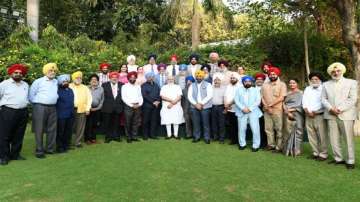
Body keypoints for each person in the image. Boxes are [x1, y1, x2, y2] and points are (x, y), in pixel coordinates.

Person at [322, 62, 357, 169]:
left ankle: (350, 161)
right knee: (333, 138)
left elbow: (352, 99)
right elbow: (323, 99)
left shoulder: (351, 82)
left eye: (338, 71)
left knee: (348, 139)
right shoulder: (325, 84)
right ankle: (338, 158)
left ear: (342, 71)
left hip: (346, 115)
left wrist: (340, 109)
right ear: (330, 73)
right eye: (333, 71)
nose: (336, 73)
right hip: (330, 114)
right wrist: (331, 109)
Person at [0, 64, 29, 165]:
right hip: (8, 111)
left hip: (23, 112)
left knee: (19, 134)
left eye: (20, 73)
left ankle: (15, 154)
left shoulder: (25, 85)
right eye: (16, 73)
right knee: (5, 135)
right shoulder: (4, 84)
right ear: (11, 73)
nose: (18, 74)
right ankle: (4, 156)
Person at [29, 63, 59, 158]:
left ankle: (50, 149)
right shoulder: (38, 81)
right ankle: (39, 150)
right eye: (50, 70)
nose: (52, 72)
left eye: (54, 71)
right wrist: (37, 104)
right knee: (39, 128)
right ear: (46, 71)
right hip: (40, 107)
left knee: (52, 129)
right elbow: (31, 95)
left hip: (53, 107)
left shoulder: (56, 82)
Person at [302, 72, 328, 161]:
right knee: (311, 135)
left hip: (319, 116)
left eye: (316, 79)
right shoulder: (307, 89)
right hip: (308, 115)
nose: (314, 81)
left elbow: (324, 103)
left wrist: (315, 112)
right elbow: (304, 101)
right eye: (312, 79)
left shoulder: (324, 89)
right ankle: (315, 152)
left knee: (321, 135)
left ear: (320, 80)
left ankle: (323, 154)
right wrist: (307, 111)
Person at [261, 67, 287, 152]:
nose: (272, 75)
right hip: (266, 110)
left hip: (277, 110)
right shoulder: (264, 85)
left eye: (274, 74)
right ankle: (270, 144)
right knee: (268, 129)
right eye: (271, 74)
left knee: (279, 129)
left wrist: (270, 105)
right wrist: (267, 107)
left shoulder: (282, 84)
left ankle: (279, 147)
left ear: (277, 74)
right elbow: (262, 97)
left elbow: (282, 97)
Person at [234, 76, 262, 152]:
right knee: (241, 129)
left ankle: (256, 145)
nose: (247, 83)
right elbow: (236, 100)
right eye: (245, 81)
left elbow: (258, 101)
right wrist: (243, 108)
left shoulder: (255, 90)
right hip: (241, 111)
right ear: (243, 82)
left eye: (249, 81)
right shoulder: (239, 90)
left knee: (255, 129)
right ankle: (242, 144)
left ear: (251, 82)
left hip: (253, 112)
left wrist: (249, 109)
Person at [188, 70, 213, 144]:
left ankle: (207, 138)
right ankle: (197, 137)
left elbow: (209, 95)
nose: (199, 77)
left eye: (200, 76)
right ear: (195, 77)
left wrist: (201, 103)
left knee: (206, 123)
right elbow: (189, 96)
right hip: (194, 107)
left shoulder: (208, 84)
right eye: (197, 76)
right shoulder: (192, 85)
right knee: (196, 123)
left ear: (203, 77)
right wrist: (196, 104)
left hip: (205, 107)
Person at [69, 71, 92, 148]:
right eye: (77, 78)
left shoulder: (85, 87)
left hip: (82, 109)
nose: (78, 79)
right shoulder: (69, 86)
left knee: (80, 126)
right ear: (73, 79)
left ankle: (77, 142)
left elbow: (89, 98)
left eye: (80, 78)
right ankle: (68, 141)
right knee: (69, 126)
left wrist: (88, 109)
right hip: (70, 110)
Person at [282, 78, 304, 156]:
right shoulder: (287, 93)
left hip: (297, 113)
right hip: (287, 113)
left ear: (297, 84)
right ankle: (287, 149)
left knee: (298, 130)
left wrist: (292, 110)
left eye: (294, 83)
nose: (292, 85)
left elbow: (302, 105)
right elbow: (283, 103)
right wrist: (287, 111)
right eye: (290, 83)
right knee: (287, 131)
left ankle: (296, 150)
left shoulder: (301, 93)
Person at [101, 72, 124, 143]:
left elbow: (123, 96)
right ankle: (108, 137)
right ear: (110, 78)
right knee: (107, 123)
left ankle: (116, 136)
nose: (114, 78)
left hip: (118, 107)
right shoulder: (104, 85)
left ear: (118, 78)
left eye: (116, 77)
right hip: (108, 107)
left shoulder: (122, 85)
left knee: (117, 123)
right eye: (112, 77)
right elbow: (103, 97)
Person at [122, 71, 143, 143]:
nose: (132, 79)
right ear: (128, 78)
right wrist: (131, 105)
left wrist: (139, 104)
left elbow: (140, 96)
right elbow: (123, 97)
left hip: (137, 106)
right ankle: (128, 137)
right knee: (128, 122)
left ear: (136, 78)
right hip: (128, 106)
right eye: (131, 77)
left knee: (135, 122)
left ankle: (134, 136)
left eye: (134, 77)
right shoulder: (124, 86)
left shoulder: (138, 86)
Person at [56, 74, 74, 153]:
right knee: (60, 132)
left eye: (66, 81)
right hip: (61, 114)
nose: (65, 82)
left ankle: (66, 145)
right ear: (60, 82)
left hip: (70, 114)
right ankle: (60, 147)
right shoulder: (57, 90)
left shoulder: (70, 90)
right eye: (63, 81)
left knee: (68, 131)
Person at [84, 74, 104, 144]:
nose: (94, 81)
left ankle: (93, 138)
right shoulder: (86, 88)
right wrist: (88, 108)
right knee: (88, 125)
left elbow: (102, 100)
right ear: (89, 81)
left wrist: (97, 108)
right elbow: (84, 99)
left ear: (98, 81)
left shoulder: (101, 89)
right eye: (92, 80)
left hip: (97, 110)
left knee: (95, 125)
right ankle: (87, 139)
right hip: (88, 110)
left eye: (96, 80)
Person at [141, 72, 161, 140]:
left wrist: (158, 101)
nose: (151, 78)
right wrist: (153, 102)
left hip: (155, 106)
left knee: (154, 121)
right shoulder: (143, 85)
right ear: (146, 78)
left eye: (152, 77)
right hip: (147, 106)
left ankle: (153, 135)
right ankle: (145, 135)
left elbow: (159, 94)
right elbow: (145, 96)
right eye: (149, 77)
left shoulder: (156, 85)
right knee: (145, 121)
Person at [224, 72, 241, 145]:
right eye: (231, 78)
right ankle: (233, 139)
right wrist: (225, 104)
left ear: (237, 79)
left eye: (233, 78)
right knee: (231, 125)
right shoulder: (228, 86)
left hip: (236, 109)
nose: (232, 79)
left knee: (237, 125)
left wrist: (229, 104)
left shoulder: (240, 86)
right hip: (229, 108)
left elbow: (237, 97)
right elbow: (225, 95)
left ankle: (238, 140)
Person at [211, 73, 226, 143]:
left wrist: (225, 108)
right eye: (215, 80)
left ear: (221, 81)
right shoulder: (211, 88)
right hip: (213, 107)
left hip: (221, 107)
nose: (216, 81)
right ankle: (215, 137)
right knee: (214, 123)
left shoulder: (224, 88)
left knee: (221, 123)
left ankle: (222, 138)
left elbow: (225, 98)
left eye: (218, 80)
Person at [254, 72, 267, 148]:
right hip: (254, 109)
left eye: (261, 79)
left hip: (264, 108)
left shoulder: (266, 88)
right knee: (256, 126)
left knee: (264, 126)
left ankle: (264, 142)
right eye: (257, 79)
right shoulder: (252, 88)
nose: (259, 80)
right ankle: (257, 141)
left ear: (263, 80)